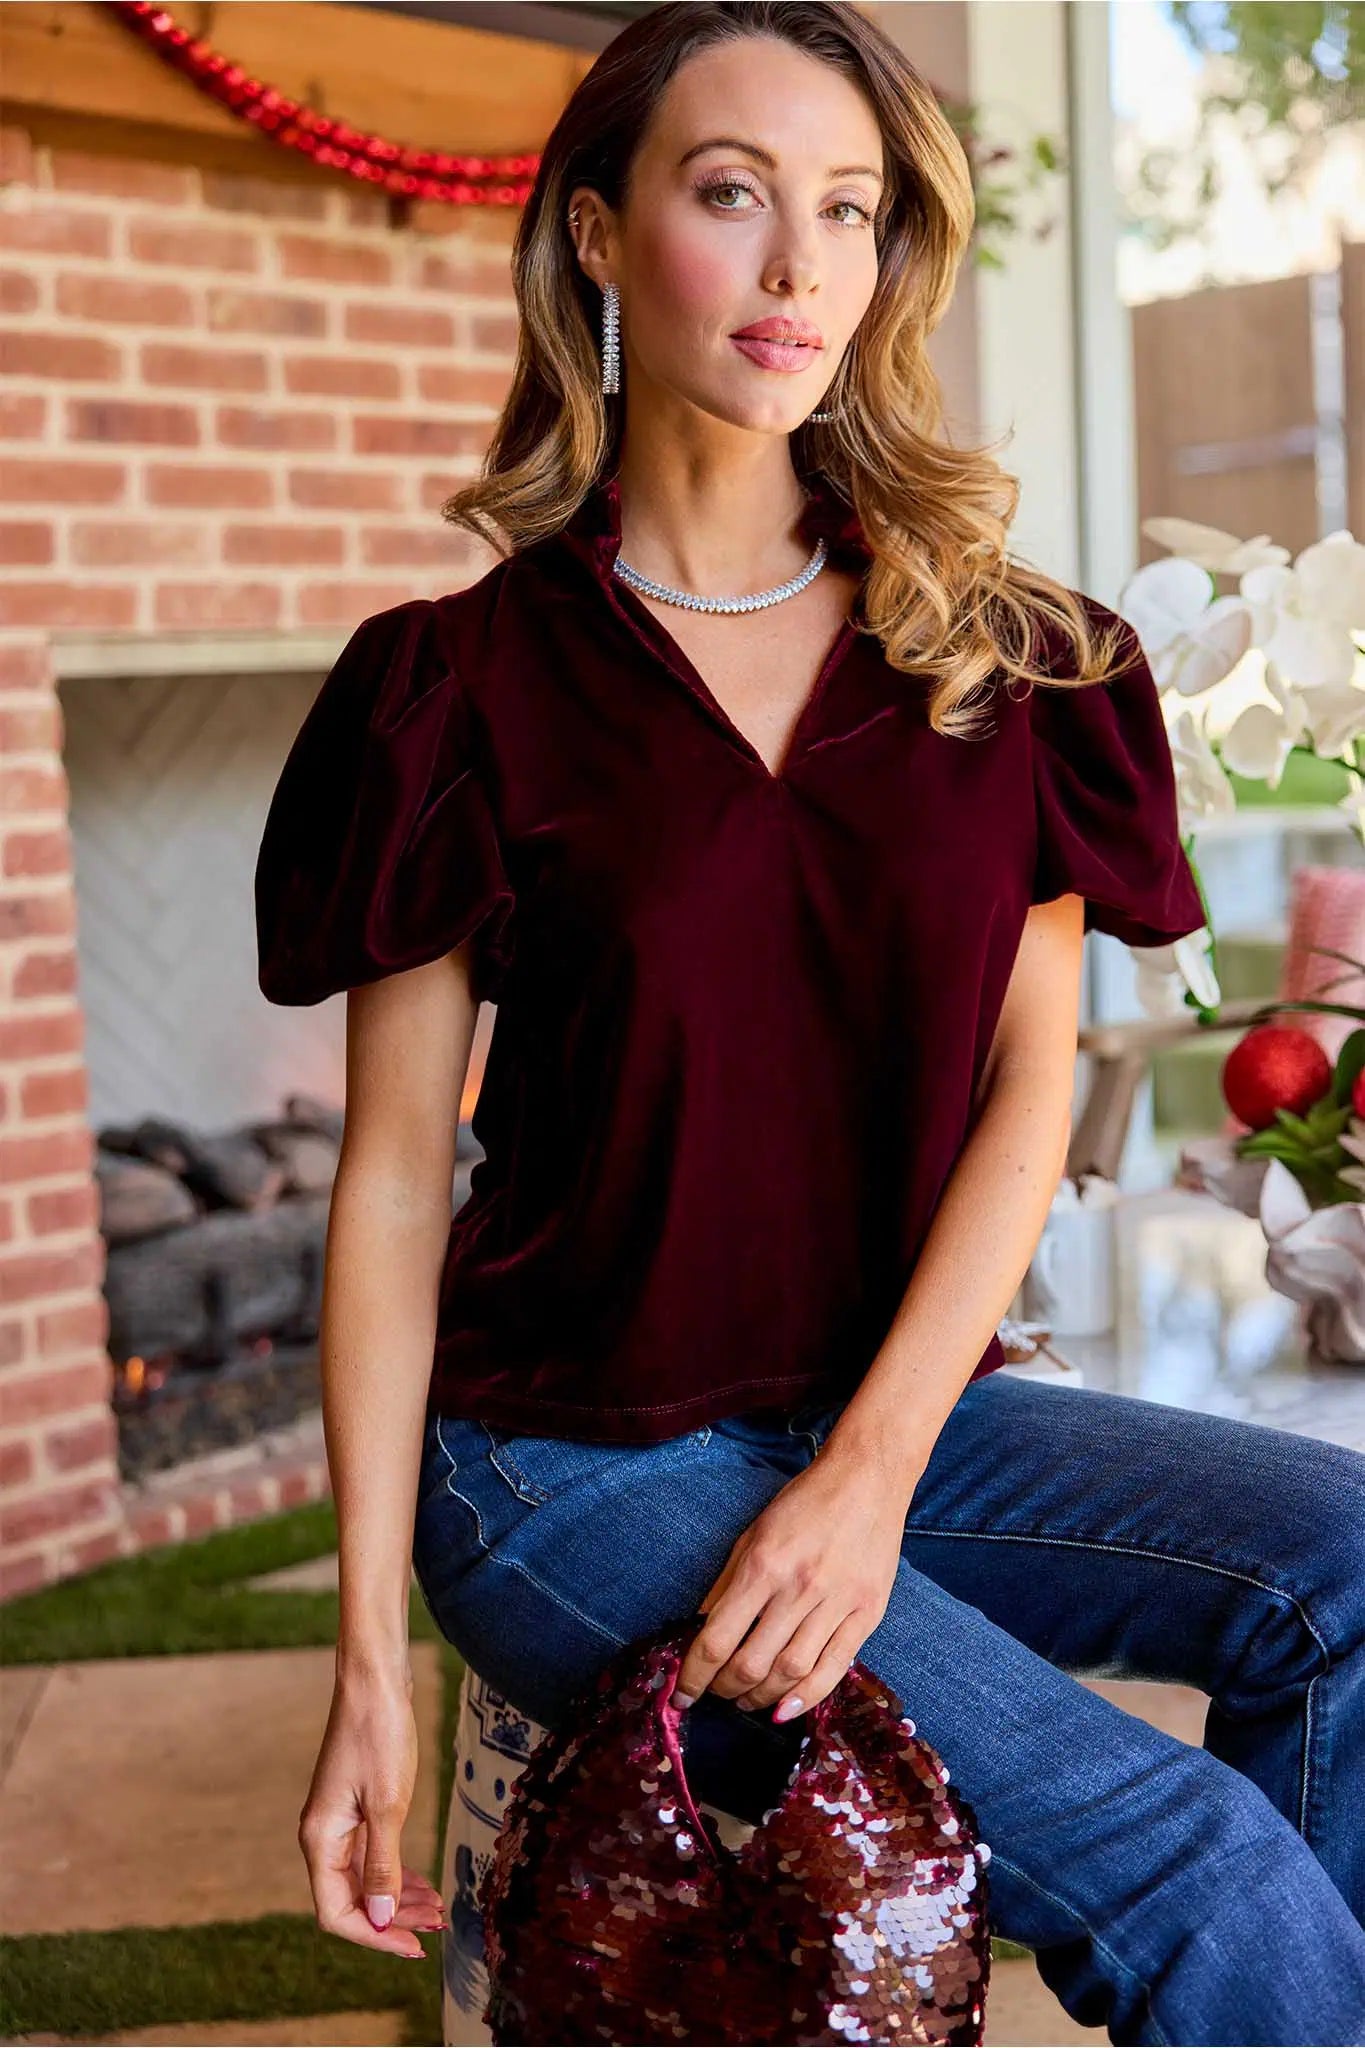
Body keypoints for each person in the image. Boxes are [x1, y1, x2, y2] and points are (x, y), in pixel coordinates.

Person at [253, 5, 1365, 2042]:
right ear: (594, 234)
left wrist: (864, 1469)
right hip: (564, 1455)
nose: (795, 272)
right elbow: (398, 1180)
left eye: (844, 212)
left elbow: (1033, 1089)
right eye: (728, 194)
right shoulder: (451, 688)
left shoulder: (1009, 657)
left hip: (898, 1421)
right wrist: (358, 1662)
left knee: (1346, 1562)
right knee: (1197, 1875)